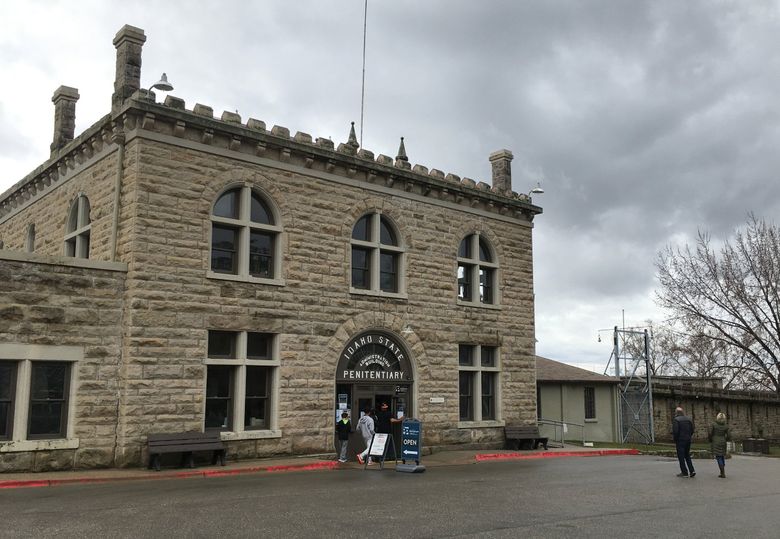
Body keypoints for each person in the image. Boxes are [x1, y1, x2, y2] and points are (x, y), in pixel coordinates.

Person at [673, 406, 696, 478]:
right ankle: (692, 470)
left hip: (680, 440)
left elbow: (676, 431)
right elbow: (692, 430)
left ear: (676, 413)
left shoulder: (676, 420)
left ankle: (684, 472)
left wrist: (675, 439)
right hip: (688, 440)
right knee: (687, 455)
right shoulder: (688, 419)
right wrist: (689, 436)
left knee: (681, 456)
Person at [709, 412, 730, 478]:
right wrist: (725, 439)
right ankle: (722, 471)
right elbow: (729, 435)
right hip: (723, 441)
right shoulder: (725, 426)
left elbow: (710, 433)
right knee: (722, 456)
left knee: (718, 457)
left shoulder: (714, 424)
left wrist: (710, 439)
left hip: (716, 441)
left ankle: (722, 472)